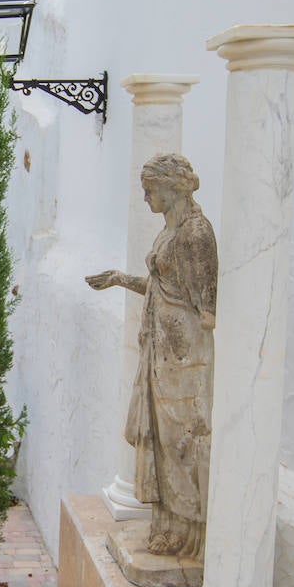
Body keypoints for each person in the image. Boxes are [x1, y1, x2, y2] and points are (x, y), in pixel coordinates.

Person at [86, 153, 217, 559]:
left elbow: (205, 311)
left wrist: (181, 340)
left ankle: (189, 531)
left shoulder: (196, 234)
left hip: (183, 356)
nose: (145, 198)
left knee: (183, 440)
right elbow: (166, 286)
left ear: (171, 187)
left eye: (150, 190)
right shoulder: (169, 230)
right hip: (160, 349)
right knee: (163, 440)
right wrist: (121, 279)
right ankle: (169, 523)